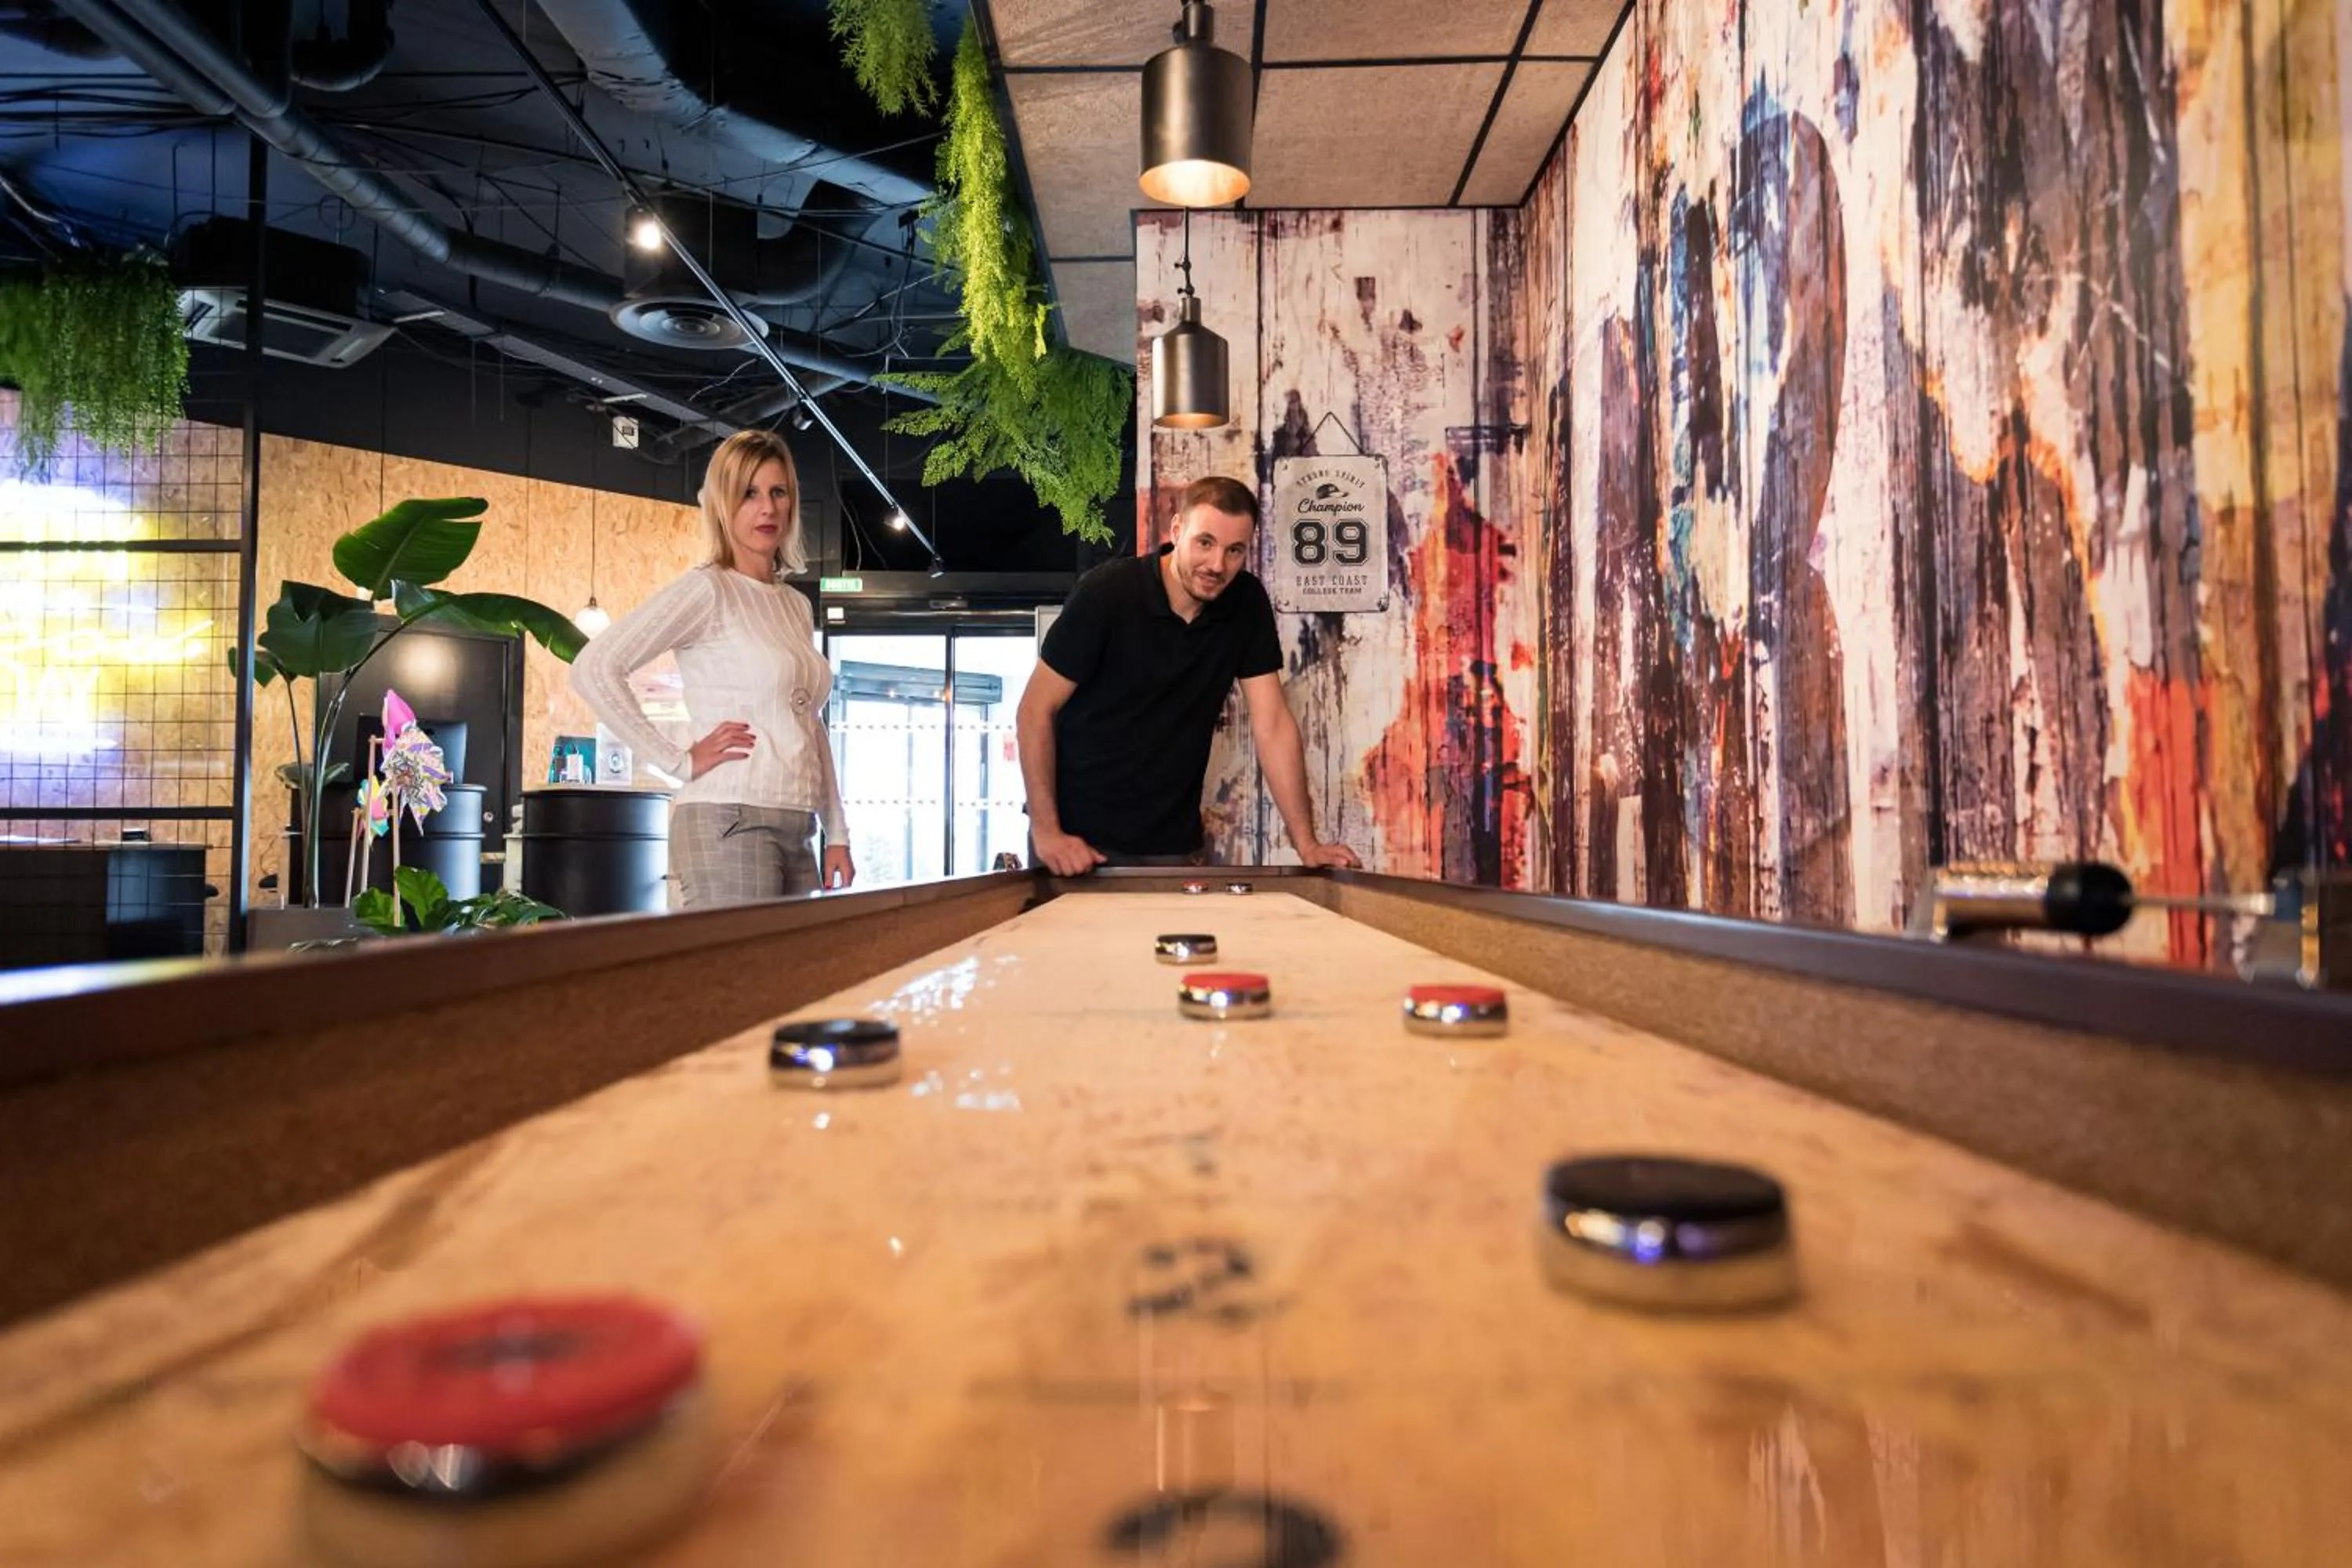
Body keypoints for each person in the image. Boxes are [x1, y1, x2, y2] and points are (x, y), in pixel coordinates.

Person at [1018, 474, 1363, 875]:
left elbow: (1273, 724)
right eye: (1205, 543)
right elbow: (1034, 711)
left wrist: (1308, 844)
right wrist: (1047, 831)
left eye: (1235, 550)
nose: (1218, 565)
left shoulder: (1246, 603)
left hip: (1170, 842)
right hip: (1076, 839)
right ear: (1177, 530)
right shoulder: (1107, 594)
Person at [570, 429, 854, 906]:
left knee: (798, 978)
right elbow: (594, 668)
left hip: (797, 823)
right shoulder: (709, 590)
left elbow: (809, 722)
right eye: (749, 494)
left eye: (777, 492)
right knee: (742, 979)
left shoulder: (794, 607)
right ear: (723, 505)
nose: (767, 508)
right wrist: (679, 760)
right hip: (729, 817)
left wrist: (837, 831)